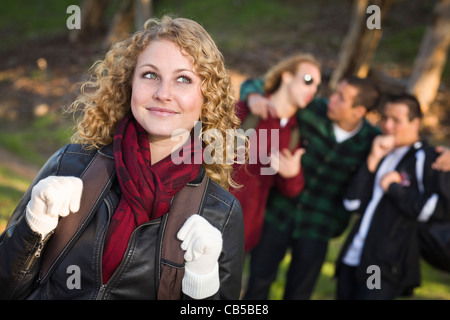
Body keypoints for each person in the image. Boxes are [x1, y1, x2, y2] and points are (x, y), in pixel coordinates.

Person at [0, 16, 245, 300]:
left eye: (183, 79)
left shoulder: (221, 213)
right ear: (130, 84)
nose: (163, 93)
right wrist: (34, 226)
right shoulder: (69, 165)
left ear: (207, 97)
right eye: (150, 75)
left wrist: (201, 282)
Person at [241, 76, 381, 300]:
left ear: (359, 112)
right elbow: (260, 83)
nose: (331, 99)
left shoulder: (371, 141)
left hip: (318, 227)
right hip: (277, 213)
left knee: (299, 293)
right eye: (335, 93)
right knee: (257, 285)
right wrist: (254, 96)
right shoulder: (312, 110)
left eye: (341, 98)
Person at [335, 93, 450, 300]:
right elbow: (351, 203)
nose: (387, 126)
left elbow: (437, 210)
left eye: (396, 120)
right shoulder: (380, 150)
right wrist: (373, 158)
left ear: (415, 123)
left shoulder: (428, 159)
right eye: (384, 118)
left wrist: (396, 189)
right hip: (351, 256)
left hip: (380, 264)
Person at [230, 53, 321, 253]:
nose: (313, 89)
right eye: (308, 80)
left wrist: (292, 175)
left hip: (243, 235)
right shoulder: (245, 110)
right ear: (287, 76)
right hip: (205, 223)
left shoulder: (294, 132)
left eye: (317, 86)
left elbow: (291, 189)